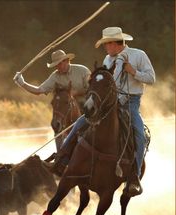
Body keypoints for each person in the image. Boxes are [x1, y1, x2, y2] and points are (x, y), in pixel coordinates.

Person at [52, 27, 156, 197]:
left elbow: (151, 78)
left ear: (115, 43)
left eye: (107, 44)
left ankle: (134, 177)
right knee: (80, 122)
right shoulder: (108, 59)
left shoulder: (139, 55)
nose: (105, 48)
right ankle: (62, 159)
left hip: (130, 102)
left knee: (140, 135)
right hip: (109, 102)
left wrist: (133, 72)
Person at [13, 49, 91, 150]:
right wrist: (22, 83)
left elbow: (92, 89)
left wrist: (76, 93)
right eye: (56, 65)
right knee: (57, 124)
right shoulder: (55, 76)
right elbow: (39, 90)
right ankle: (60, 153)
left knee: (93, 115)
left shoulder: (82, 71)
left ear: (67, 61)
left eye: (60, 63)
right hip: (66, 107)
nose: (58, 67)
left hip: (85, 102)